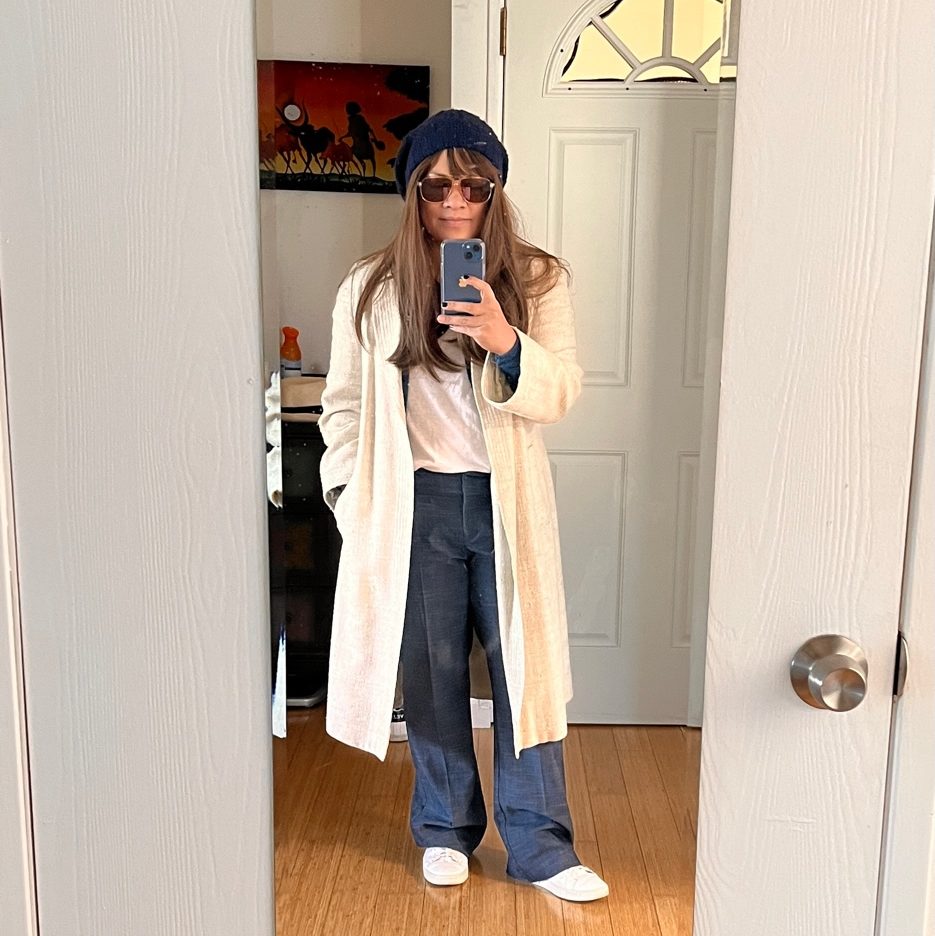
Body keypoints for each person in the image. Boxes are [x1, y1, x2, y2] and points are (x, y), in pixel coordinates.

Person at [318, 108, 609, 903]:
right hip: (411, 505)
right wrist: (348, 496)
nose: (454, 200)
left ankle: (540, 846)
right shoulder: (370, 287)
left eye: (473, 185)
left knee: (524, 672)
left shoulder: (539, 279)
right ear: (412, 191)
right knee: (432, 671)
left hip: (505, 504)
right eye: (436, 185)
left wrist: (504, 340)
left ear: (494, 193)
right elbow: (342, 405)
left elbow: (560, 393)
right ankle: (443, 829)